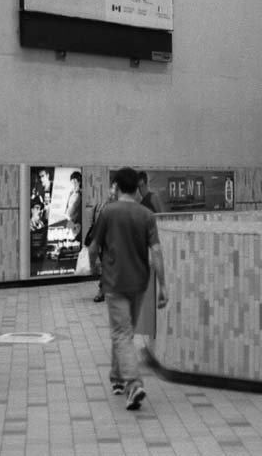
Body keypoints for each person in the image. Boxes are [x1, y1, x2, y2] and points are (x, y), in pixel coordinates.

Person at [87, 167, 168, 410]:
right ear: (136, 187)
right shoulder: (146, 215)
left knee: (121, 334)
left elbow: (93, 248)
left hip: (115, 283)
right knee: (124, 332)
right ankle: (117, 378)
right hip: (140, 284)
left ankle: (133, 384)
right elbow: (156, 252)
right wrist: (163, 285)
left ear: (118, 186)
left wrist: (94, 269)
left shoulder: (108, 212)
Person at [87, 181, 118, 303]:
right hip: (105, 243)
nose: (112, 193)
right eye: (111, 189)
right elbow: (94, 223)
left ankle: (104, 290)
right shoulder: (101, 206)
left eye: (115, 190)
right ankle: (103, 290)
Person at [65, 170, 82, 240]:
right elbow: (66, 208)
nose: (73, 185)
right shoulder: (71, 193)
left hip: (77, 223)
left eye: (75, 182)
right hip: (69, 222)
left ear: (79, 182)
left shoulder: (81, 194)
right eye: (72, 183)